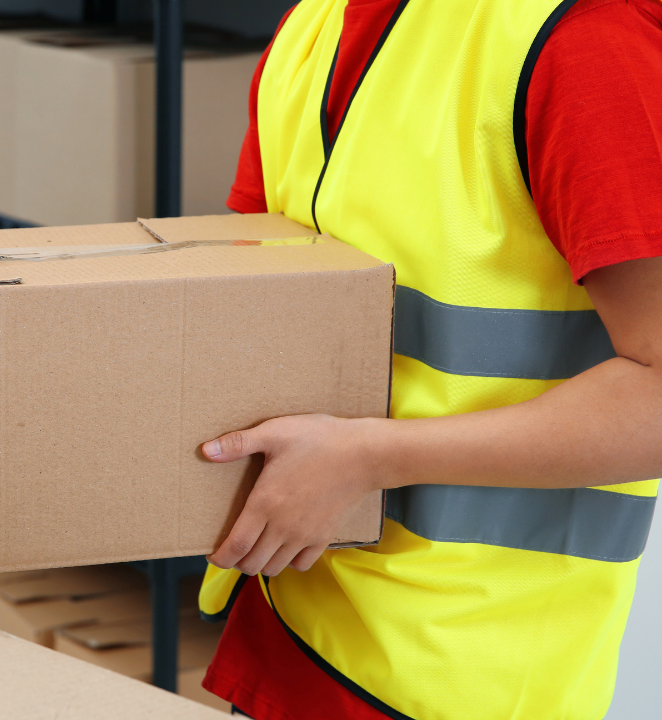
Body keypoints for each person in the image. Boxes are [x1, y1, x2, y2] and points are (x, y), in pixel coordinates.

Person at [189, 0, 662, 718]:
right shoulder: (312, 27)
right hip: (297, 621)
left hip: (465, 673)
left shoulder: (579, 39)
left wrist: (368, 457)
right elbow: (257, 302)